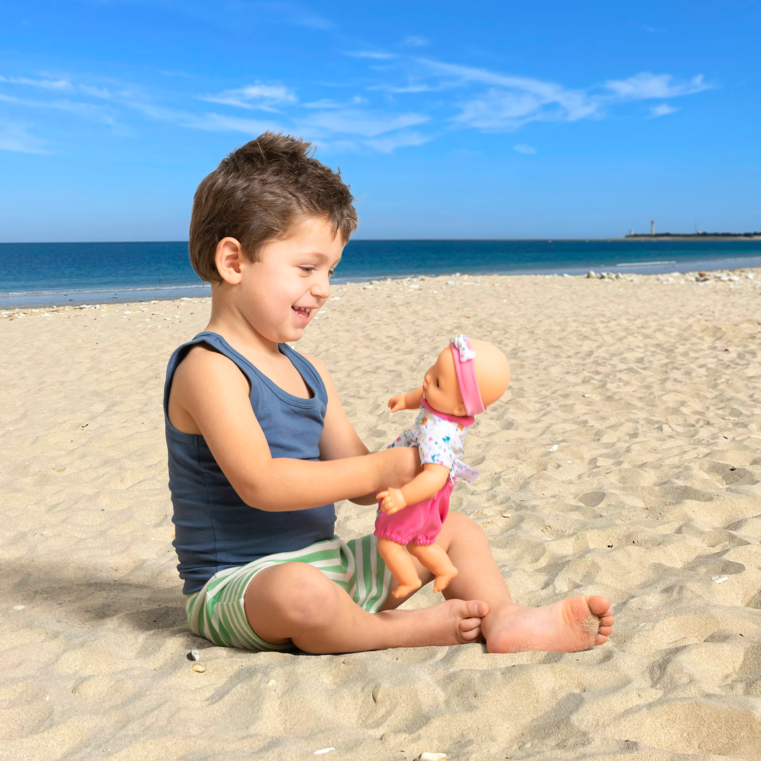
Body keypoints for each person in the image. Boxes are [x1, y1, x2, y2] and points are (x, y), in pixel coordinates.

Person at [164, 132, 615, 655]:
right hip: (239, 586)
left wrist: (418, 454)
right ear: (234, 262)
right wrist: (381, 471)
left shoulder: (309, 372)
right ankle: (397, 630)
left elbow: (357, 481)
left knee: (457, 531)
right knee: (299, 594)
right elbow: (261, 484)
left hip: (326, 564)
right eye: (307, 268)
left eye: (331, 270)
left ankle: (507, 619)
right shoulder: (209, 367)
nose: (325, 287)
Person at [375, 335, 510, 599]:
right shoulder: (445, 405)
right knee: (420, 543)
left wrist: (403, 496)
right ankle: (445, 569)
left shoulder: (437, 434)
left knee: (388, 542)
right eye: (433, 368)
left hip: (420, 489)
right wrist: (405, 399)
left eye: (437, 380)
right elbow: (424, 395)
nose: (427, 379)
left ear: (461, 405)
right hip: (432, 492)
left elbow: (434, 476)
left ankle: (408, 580)